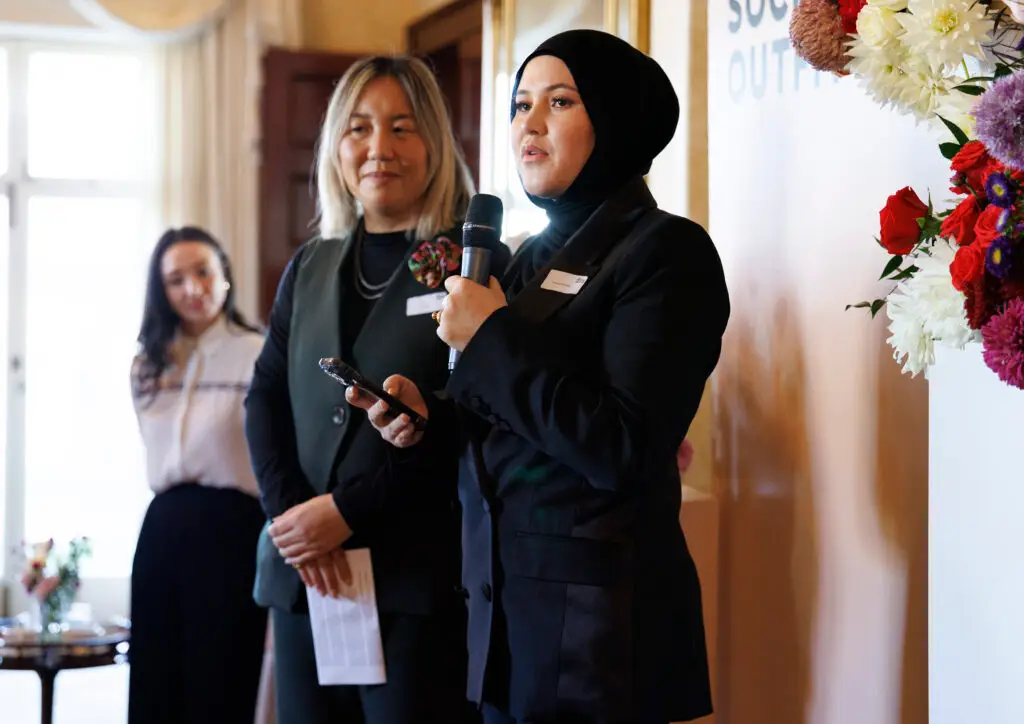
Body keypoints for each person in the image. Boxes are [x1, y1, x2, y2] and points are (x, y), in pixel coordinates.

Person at [352, 30, 730, 724]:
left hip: (603, 641)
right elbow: (503, 434)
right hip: (504, 627)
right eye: (520, 104)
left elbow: (623, 447)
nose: (529, 123)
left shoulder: (665, 252)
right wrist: (424, 423)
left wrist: (490, 338)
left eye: (559, 101)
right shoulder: (526, 260)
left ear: (614, 118)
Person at [244, 55, 506, 724]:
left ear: (436, 144)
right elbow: (265, 398)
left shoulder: (470, 267)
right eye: (359, 127)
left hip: (413, 581)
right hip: (308, 578)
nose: (378, 148)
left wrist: (347, 511)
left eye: (401, 127)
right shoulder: (310, 265)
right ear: (336, 143)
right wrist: (294, 519)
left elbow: (478, 419)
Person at [129, 226, 267, 724]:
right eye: (176, 280)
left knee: (222, 676)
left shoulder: (258, 353)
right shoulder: (146, 365)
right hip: (162, 529)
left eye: (203, 272)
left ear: (225, 276)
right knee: (155, 678)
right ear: (161, 291)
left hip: (232, 529)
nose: (193, 289)